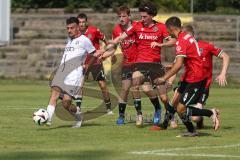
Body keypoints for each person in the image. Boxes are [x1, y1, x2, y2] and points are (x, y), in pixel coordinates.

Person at [106, 2, 177, 128]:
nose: (142, 19)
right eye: (141, 16)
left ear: (151, 16)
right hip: (141, 63)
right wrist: (108, 47)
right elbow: (121, 37)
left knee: (163, 97)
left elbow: (173, 41)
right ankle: (139, 115)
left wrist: (161, 44)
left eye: (144, 17)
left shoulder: (160, 27)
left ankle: (169, 114)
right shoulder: (137, 25)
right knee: (135, 81)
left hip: (155, 65)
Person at [154, 16, 220, 137]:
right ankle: (189, 130)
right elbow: (183, 59)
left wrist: (163, 78)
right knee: (175, 102)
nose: (167, 33)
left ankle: (210, 113)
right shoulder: (185, 36)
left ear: (170, 29)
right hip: (189, 76)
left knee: (180, 109)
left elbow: (178, 65)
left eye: (167, 30)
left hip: (196, 78)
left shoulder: (181, 40)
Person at [161, 24, 229, 129]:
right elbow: (176, 66)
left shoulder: (205, 45)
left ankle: (204, 117)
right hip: (187, 81)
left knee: (194, 117)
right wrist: (169, 80)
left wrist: (223, 73)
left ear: (191, 35)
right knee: (174, 102)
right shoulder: (183, 46)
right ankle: (165, 125)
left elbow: (225, 56)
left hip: (202, 84)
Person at [46, 17, 101, 128]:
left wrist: (87, 66)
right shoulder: (69, 39)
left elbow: (94, 54)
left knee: (66, 104)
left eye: (72, 28)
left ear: (77, 27)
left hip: (74, 75)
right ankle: (47, 119)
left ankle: (79, 117)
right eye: (67, 28)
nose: (69, 30)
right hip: (62, 71)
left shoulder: (84, 40)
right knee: (54, 93)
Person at [77, 13, 113, 115]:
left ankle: (108, 108)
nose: (81, 24)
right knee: (80, 85)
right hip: (83, 63)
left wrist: (105, 52)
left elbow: (106, 41)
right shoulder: (76, 33)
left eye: (83, 22)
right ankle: (78, 108)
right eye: (79, 22)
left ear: (86, 22)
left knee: (102, 85)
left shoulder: (94, 30)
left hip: (96, 62)